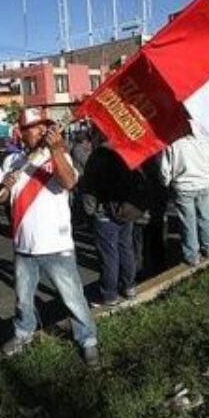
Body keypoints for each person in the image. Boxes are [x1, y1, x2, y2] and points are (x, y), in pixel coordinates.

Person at [0, 108, 100, 367]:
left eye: (45, 125)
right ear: (22, 133)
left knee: (73, 296)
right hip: (23, 245)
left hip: (56, 244)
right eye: (35, 127)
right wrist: (4, 186)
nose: (42, 130)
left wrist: (56, 150)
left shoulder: (58, 155)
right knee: (23, 299)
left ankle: (88, 340)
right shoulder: (11, 161)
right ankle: (23, 334)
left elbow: (69, 182)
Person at [80, 130, 146, 306]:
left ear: (98, 136)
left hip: (104, 211)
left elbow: (89, 188)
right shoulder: (127, 151)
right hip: (126, 210)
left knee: (109, 255)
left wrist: (90, 212)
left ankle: (109, 294)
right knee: (126, 248)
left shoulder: (97, 157)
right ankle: (129, 287)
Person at [160, 128, 209, 266]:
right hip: (203, 183)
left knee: (188, 221)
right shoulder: (205, 135)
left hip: (183, 185)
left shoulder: (172, 140)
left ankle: (192, 255)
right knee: (206, 217)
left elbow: (165, 168)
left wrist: (167, 181)